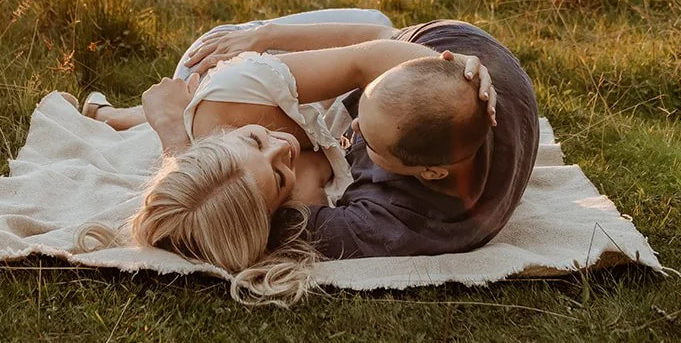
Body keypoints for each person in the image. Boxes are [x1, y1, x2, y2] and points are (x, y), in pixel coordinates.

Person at [75, 18, 498, 302]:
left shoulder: (232, 95)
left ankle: (139, 112)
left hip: (244, 62)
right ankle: (138, 112)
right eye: (280, 176)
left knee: (382, 25)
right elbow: (358, 66)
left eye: (257, 140)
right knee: (212, 111)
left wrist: (171, 128)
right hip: (230, 100)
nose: (285, 148)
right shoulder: (253, 156)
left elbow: (367, 54)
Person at [183, 18, 538, 261]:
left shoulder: (386, 224)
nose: (350, 128)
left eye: (366, 139)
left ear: (430, 172)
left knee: (188, 70)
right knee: (198, 67)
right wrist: (264, 36)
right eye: (360, 107)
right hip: (450, 40)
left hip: (431, 57)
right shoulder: (443, 75)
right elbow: (373, 45)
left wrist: (173, 130)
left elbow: (234, 226)